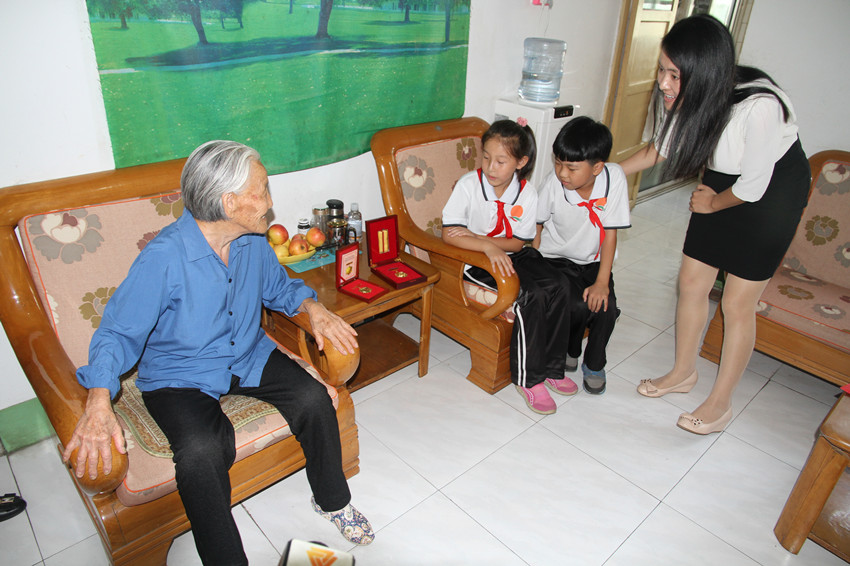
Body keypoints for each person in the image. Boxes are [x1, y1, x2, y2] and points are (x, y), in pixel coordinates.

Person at [61, 140, 375, 565]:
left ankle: (332, 501)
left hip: (246, 354)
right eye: (261, 192)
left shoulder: (251, 241)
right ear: (229, 203)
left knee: (313, 399)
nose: (269, 203)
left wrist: (312, 308)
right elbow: (117, 332)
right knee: (201, 452)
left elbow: (279, 287)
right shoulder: (163, 259)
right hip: (179, 374)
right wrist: (99, 399)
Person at [621, 15, 811, 434]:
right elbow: (661, 148)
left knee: (736, 303)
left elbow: (754, 186)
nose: (663, 83)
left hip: (771, 190)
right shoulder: (694, 96)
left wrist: (711, 204)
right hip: (725, 181)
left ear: (703, 72)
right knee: (691, 283)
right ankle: (682, 373)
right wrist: (609, 172)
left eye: (674, 74)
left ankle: (720, 403)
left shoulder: (759, 107)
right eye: (662, 69)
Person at [442, 119, 575, 415]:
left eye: (501, 161)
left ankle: (553, 368)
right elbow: (449, 234)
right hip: (476, 261)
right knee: (529, 294)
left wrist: (484, 239)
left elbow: (517, 244)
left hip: (512, 254)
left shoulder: (526, 193)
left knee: (560, 285)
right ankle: (529, 379)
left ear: (521, 162)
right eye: (486, 157)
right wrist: (486, 247)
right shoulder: (469, 185)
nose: (491, 167)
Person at [534, 117, 630, 395]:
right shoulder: (553, 184)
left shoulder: (614, 178)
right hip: (556, 259)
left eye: (572, 168)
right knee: (574, 304)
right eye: (558, 163)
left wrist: (602, 282)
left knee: (605, 307)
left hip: (593, 261)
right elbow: (537, 225)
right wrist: (536, 266)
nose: (562, 173)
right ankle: (570, 351)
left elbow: (610, 234)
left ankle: (595, 364)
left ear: (597, 167)